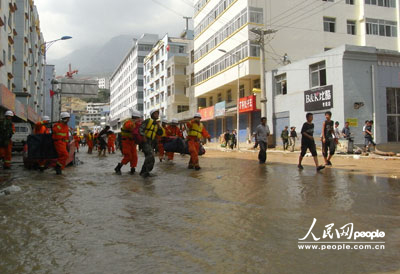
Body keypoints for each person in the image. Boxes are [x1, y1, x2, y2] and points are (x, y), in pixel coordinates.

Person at [115, 110, 142, 175]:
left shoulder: (137, 124)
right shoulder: (128, 122)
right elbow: (128, 126)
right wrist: (134, 123)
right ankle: (118, 167)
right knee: (128, 156)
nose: (139, 119)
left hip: (133, 142)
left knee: (134, 156)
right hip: (126, 141)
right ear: (135, 117)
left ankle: (133, 169)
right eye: (138, 118)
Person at [139, 109, 164, 178]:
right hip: (145, 141)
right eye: (155, 113)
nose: (157, 115)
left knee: (151, 157)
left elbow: (160, 133)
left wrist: (159, 127)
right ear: (152, 114)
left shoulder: (157, 124)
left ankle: (145, 172)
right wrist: (143, 136)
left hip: (151, 142)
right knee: (150, 155)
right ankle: (144, 172)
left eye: (157, 114)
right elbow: (141, 129)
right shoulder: (147, 121)